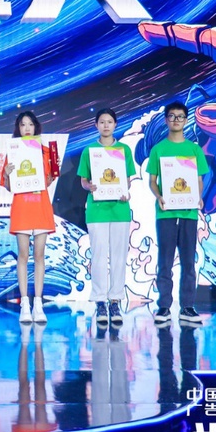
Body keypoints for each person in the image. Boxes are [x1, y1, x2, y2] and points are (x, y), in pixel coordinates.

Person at [146, 102, 210, 325]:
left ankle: (188, 307)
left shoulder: (194, 150)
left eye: (180, 116)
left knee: (188, 262)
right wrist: (159, 196)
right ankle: (164, 306)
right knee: (164, 261)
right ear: (166, 120)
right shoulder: (158, 149)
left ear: (186, 120)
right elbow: (152, 181)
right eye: (172, 116)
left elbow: (199, 180)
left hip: (188, 213)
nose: (176, 120)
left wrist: (198, 197)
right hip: (166, 213)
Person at [77, 108, 136, 326]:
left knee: (119, 257)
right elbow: (83, 181)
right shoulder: (89, 150)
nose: (106, 125)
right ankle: (100, 301)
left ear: (115, 124)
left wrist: (124, 191)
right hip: (97, 210)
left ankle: (115, 301)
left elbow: (127, 179)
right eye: (102, 122)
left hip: (119, 209)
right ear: (96, 125)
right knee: (99, 257)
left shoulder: (123, 150)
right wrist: (90, 186)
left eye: (109, 122)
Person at [1, 111, 58, 324]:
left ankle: (38, 303)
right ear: (18, 128)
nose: (26, 128)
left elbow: (49, 180)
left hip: (41, 207)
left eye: (30, 124)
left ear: (36, 127)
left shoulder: (46, 152)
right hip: (22, 208)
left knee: (40, 256)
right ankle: (25, 303)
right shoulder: (13, 153)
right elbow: (9, 187)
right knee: (23, 255)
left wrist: (50, 176)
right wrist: (7, 174)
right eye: (23, 125)